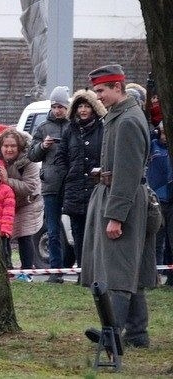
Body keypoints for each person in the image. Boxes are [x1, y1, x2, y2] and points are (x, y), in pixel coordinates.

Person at [82, 64, 155, 349]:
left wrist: (116, 216)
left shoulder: (127, 122)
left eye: (101, 90)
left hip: (124, 200)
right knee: (129, 267)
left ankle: (111, 334)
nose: (98, 96)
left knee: (118, 272)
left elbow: (127, 174)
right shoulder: (121, 116)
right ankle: (137, 333)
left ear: (117, 87)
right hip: (119, 196)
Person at [53, 89, 105, 272]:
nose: (83, 110)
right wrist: (68, 173)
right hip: (74, 188)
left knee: (96, 231)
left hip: (95, 187)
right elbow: (60, 156)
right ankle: (83, 271)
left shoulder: (102, 129)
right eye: (80, 106)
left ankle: (96, 270)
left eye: (87, 106)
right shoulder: (70, 130)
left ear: (94, 108)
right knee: (77, 231)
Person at [28, 86, 70, 283]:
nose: (57, 110)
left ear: (67, 107)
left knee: (76, 227)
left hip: (70, 184)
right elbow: (32, 155)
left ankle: (82, 269)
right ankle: (55, 271)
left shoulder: (73, 126)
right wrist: (42, 146)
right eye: (54, 106)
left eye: (60, 106)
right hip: (51, 184)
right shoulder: (43, 128)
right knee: (52, 230)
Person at [0, 128, 42, 275]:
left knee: (24, 234)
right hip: (3, 203)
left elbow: (29, 187)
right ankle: (6, 268)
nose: (9, 149)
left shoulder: (29, 161)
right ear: (0, 147)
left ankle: (26, 271)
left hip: (27, 202)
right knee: (2, 234)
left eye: (13, 146)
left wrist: (7, 180)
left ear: (19, 147)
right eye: (6, 146)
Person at [146, 121, 173, 286]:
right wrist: (154, 132)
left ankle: (170, 276)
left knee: (170, 240)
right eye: (162, 133)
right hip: (158, 199)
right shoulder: (153, 146)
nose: (164, 137)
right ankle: (153, 275)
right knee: (157, 240)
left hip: (171, 200)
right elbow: (145, 137)